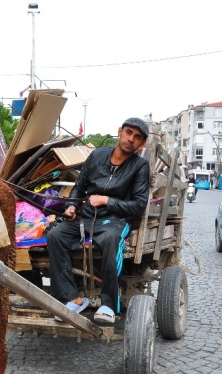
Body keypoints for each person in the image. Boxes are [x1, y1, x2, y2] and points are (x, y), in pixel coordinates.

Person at [46, 118, 150, 325]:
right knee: (55, 234)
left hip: (115, 220)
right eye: (128, 132)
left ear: (142, 144)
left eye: (137, 137)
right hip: (86, 217)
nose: (131, 139)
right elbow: (79, 186)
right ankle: (72, 298)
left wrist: (106, 201)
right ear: (120, 131)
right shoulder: (96, 156)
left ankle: (108, 305)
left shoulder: (140, 166)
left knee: (112, 239)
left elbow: (139, 205)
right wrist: (72, 206)